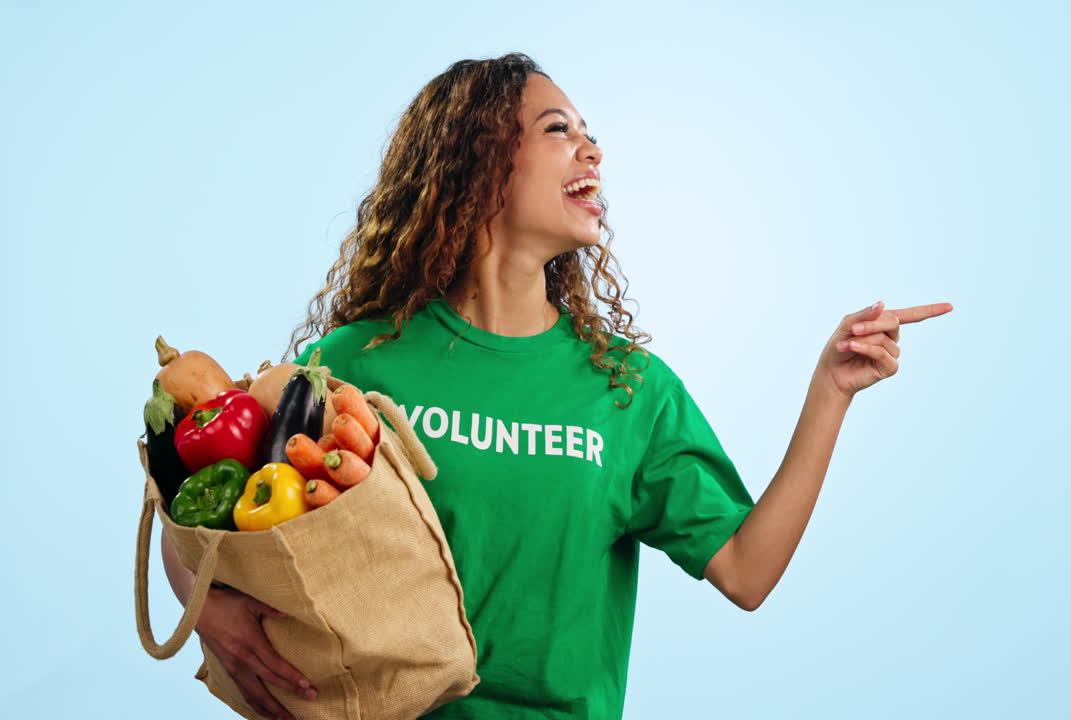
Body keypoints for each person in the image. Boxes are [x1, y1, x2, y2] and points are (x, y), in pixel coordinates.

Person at [162, 52, 953, 720]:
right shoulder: (360, 359)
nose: (592, 152)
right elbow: (213, 503)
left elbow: (747, 571)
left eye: (590, 135)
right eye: (559, 130)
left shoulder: (627, 390)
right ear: (477, 160)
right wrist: (210, 610)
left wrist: (830, 392)